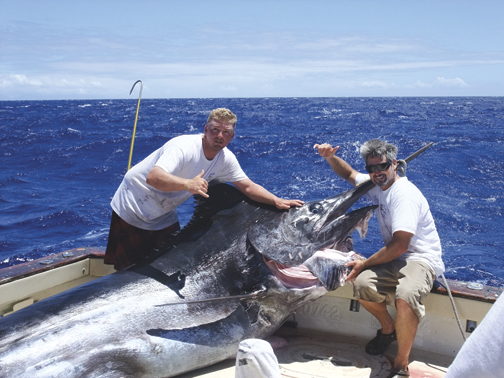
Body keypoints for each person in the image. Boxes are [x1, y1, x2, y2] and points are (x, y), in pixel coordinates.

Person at [105, 108, 303, 271]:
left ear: (232, 136)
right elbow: (154, 177)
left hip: (163, 213)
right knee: (128, 271)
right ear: (205, 129)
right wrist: (187, 184)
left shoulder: (225, 159)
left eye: (225, 132)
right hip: (133, 205)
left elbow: (248, 186)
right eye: (215, 130)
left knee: (168, 265)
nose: (219, 136)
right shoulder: (183, 147)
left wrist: (276, 201)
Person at [314, 139, 444, 378]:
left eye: (382, 166)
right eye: (371, 168)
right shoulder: (376, 183)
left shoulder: (404, 195)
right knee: (361, 283)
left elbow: (401, 244)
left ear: (394, 164)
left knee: (405, 296)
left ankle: (400, 364)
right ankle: (388, 329)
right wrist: (330, 157)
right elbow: (350, 174)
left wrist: (364, 262)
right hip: (397, 257)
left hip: (420, 258)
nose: (377, 173)